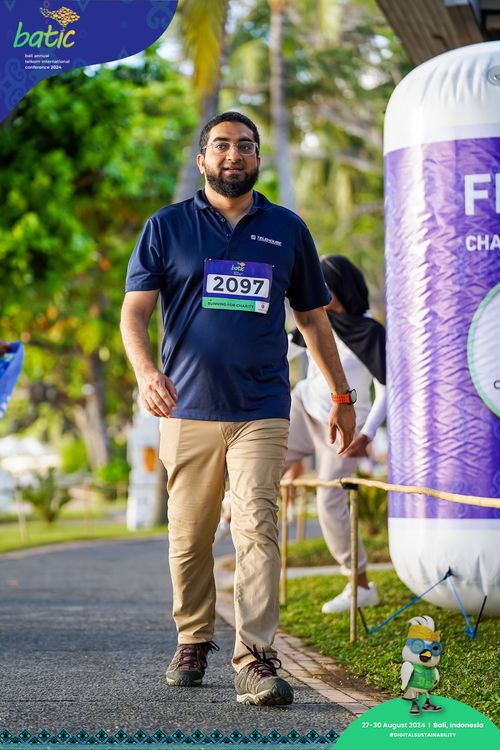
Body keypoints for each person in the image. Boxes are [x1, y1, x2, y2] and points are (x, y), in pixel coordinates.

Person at [120, 112, 356, 706]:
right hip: (186, 408)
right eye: (221, 145)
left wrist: (340, 395)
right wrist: (146, 373)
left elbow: (312, 319)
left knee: (256, 525)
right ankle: (193, 638)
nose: (234, 154)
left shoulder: (287, 229)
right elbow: (134, 313)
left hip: (262, 407)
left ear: (257, 159)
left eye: (245, 146)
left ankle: (255, 657)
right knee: (189, 536)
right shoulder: (166, 227)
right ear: (202, 158)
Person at [284, 255, 386, 613]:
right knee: (257, 460)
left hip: (344, 426)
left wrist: (367, 435)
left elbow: (387, 388)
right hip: (304, 409)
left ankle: (361, 585)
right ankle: (225, 518)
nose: (315, 289)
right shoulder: (315, 318)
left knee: (329, 502)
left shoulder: (369, 331)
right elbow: (279, 351)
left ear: (339, 287)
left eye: (322, 283)